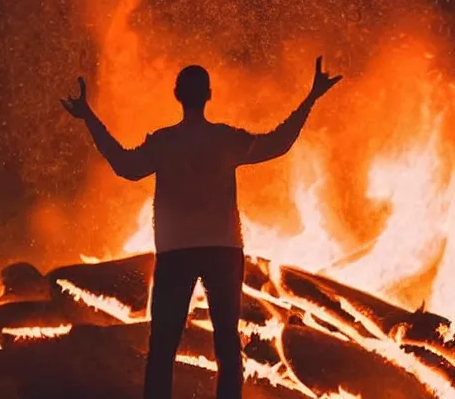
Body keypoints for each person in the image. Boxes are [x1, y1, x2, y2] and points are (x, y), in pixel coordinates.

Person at [61, 56, 342, 399]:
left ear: (176, 94)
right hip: (223, 251)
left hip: (175, 253)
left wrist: (88, 116)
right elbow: (277, 143)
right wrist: (311, 98)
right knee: (227, 343)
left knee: (163, 346)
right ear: (209, 95)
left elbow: (124, 165)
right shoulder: (226, 139)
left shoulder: (164, 143)